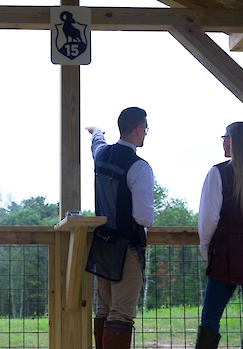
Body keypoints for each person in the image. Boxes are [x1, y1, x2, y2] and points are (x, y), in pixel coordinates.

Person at [85, 107, 155, 349]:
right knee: (121, 315)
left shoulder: (102, 155)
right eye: (145, 129)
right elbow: (144, 217)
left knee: (104, 310)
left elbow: (98, 143)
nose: (146, 133)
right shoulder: (140, 167)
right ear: (138, 129)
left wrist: (97, 131)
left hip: (102, 246)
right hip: (127, 249)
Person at [196, 121, 243, 349]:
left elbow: (209, 220)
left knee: (210, 318)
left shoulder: (219, 173)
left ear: (232, 141)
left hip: (226, 253)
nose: (223, 141)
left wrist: (206, 250)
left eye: (225, 136)